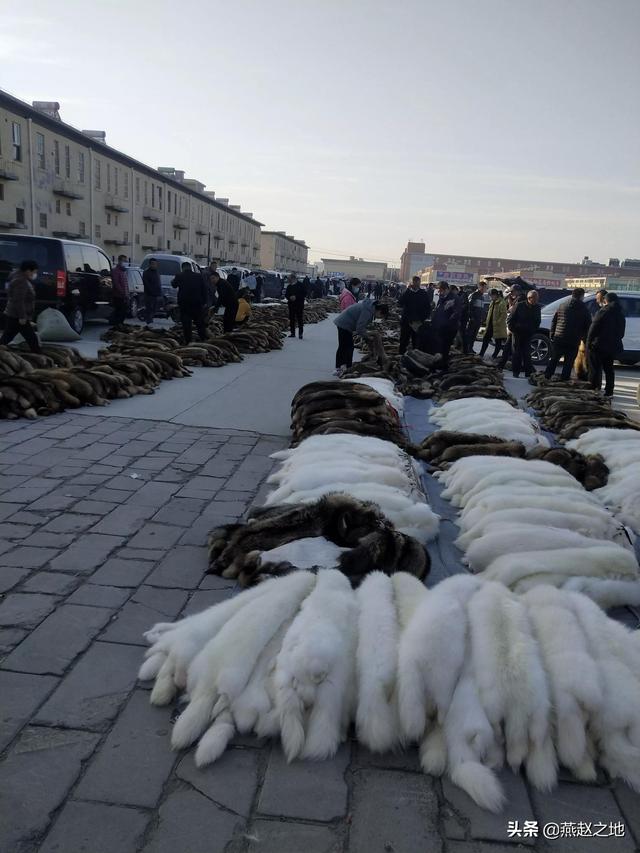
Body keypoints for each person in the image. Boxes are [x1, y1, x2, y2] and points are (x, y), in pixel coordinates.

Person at [544, 288, 591, 381]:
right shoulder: (584, 308)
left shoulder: (563, 305)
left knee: (554, 359)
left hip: (559, 338)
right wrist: (584, 338)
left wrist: (552, 334)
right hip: (573, 340)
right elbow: (588, 325)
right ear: (581, 296)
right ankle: (564, 379)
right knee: (568, 362)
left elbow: (554, 320)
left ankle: (547, 376)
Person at [334, 300, 390, 375]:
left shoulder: (369, 308)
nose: (379, 318)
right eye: (381, 316)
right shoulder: (367, 312)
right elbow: (360, 328)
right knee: (346, 347)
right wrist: (368, 337)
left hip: (345, 324)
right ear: (379, 311)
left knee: (346, 347)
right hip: (344, 324)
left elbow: (362, 326)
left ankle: (345, 366)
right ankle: (342, 368)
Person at [587, 291, 625, 397]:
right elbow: (621, 333)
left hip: (598, 345)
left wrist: (588, 342)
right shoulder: (620, 314)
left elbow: (593, 328)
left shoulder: (603, 311)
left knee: (595, 369)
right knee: (609, 369)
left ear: (606, 300)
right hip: (612, 347)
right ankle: (609, 392)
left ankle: (594, 389)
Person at [0, 260, 41, 353]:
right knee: (31, 338)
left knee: (8, 336)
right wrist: (22, 316)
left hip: (14, 313)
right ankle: (38, 354)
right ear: (28, 271)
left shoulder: (17, 276)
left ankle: (37, 352)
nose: (34, 274)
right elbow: (18, 301)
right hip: (18, 315)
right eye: (34, 272)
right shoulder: (21, 281)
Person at [171, 261, 208, 344]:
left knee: (186, 323)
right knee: (200, 323)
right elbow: (204, 289)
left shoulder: (179, 275)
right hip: (197, 303)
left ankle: (188, 341)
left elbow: (174, 285)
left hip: (184, 304)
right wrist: (204, 301)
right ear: (190, 267)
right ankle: (203, 339)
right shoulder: (198, 276)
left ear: (182, 268)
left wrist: (174, 280)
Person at [508, 288, 541, 378]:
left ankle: (528, 372)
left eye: (537, 299)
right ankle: (516, 372)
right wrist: (513, 330)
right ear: (529, 298)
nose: (536, 301)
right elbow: (510, 319)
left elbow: (538, 321)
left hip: (528, 334)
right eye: (535, 299)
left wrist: (533, 330)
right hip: (517, 333)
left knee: (527, 354)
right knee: (517, 353)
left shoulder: (537, 307)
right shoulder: (519, 306)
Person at [431, 281, 462, 368]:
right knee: (439, 347)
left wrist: (446, 323)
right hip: (440, 327)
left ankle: (443, 366)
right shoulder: (442, 297)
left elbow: (456, 314)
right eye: (439, 290)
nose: (440, 292)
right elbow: (438, 311)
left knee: (445, 347)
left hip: (449, 328)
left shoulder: (454, 299)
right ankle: (440, 364)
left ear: (446, 289)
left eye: (441, 290)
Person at [398, 275, 432, 354]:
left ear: (419, 283)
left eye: (417, 282)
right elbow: (400, 303)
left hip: (418, 323)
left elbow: (428, 308)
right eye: (414, 282)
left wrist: (422, 319)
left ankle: (416, 357)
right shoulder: (408, 293)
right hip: (406, 322)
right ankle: (401, 355)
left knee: (416, 342)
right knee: (403, 341)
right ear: (412, 283)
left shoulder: (423, 293)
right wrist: (407, 290)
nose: (416, 284)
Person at [479, 289, 508, 359]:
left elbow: (504, 315)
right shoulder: (492, 302)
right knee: (485, 339)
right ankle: (481, 354)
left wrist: (497, 322)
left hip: (498, 326)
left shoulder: (502, 302)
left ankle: (494, 356)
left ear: (495, 295)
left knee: (498, 341)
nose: (490, 298)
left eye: (491, 296)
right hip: (490, 325)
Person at [464, 281, 487, 354]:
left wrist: (482, 318)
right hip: (473, 319)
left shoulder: (482, 297)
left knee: (474, 335)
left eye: (485, 288)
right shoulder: (474, 295)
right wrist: (471, 317)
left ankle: (471, 348)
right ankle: (466, 349)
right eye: (484, 287)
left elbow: (482, 309)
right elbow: (469, 307)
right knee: (469, 334)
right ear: (480, 287)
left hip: (478, 319)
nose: (485, 289)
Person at [142, 258, 162, 327]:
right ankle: (149, 323)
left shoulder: (157, 272)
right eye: (153, 264)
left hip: (156, 295)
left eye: (155, 264)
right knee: (149, 310)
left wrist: (159, 293)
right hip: (149, 295)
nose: (154, 265)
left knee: (154, 310)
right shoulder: (146, 272)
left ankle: (150, 321)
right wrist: (152, 292)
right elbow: (146, 284)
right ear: (150, 264)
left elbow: (158, 283)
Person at [110, 254, 129, 326]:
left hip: (124, 296)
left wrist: (127, 293)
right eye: (124, 261)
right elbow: (116, 283)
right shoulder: (116, 271)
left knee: (123, 312)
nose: (125, 263)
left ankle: (120, 324)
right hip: (118, 296)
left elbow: (125, 283)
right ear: (119, 261)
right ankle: (117, 325)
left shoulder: (123, 271)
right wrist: (123, 292)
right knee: (119, 311)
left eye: (126, 261)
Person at [285, 273, 306, 339]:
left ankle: (300, 333)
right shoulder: (289, 286)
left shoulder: (301, 285)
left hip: (299, 305)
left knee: (300, 319)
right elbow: (286, 295)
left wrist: (296, 297)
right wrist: (289, 297)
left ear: (293, 278)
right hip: (291, 305)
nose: (289, 280)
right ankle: (292, 333)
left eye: (290, 279)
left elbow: (304, 294)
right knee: (292, 319)